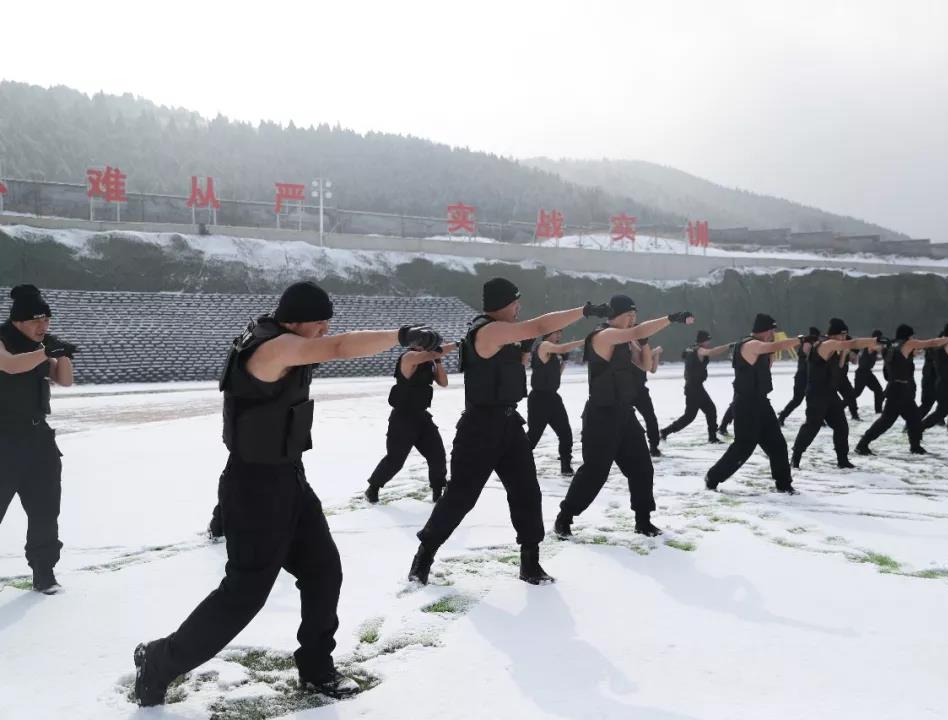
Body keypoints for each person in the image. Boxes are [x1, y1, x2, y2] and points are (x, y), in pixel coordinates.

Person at [133, 281, 442, 706]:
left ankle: (316, 670)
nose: (324, 331)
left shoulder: (284, 340)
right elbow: (337, 349)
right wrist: (401, 336)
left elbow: (328, 346)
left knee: (323, 571)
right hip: (255, 486)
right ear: (296, 321)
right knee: (244, 594)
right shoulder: (273, 348)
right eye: (320, 324)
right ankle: (160, 660)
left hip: (288, 478)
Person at [408, 278, 610, 586]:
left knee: (527, 492)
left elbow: (513, 364)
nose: (519, 307)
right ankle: (425, 555)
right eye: (515, 302)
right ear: (503, 303)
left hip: (509, 424)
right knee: (461, 496)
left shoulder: (505, 335)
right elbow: (539, 325)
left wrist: (523, 353)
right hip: (479, 428)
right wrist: (584, 310)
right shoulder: (489, 330)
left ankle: (530, 562)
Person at [554, 296, 693, 538]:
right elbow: (636, 331)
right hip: (601, 416)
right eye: (629, 315)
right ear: (614, 315)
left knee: (642, 468)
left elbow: (645, 365)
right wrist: (671, 319)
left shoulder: (627, 339)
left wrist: (644, 342)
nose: (632, 320)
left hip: (624, 414)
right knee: (595, 472)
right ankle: (565, 517)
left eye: (634, 317)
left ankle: (643, 520)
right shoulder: (603, 335)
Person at [0, 285, 77, 595]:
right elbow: (10, 364)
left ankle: (44, 572)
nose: (43, 326)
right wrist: (45, 352)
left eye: (47, 319)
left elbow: (65, 380)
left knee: (46, 509)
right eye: (36, 320)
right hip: (3, 440)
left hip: (38, 438)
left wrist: (64, 354)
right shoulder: (3, 339)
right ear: (18, 320)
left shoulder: (43, 344)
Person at [705, 313, 801, 493]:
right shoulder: (751, 344)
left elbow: (764, 370)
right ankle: (713, 477)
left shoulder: (763, 349)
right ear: (764, 331)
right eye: (772, 330)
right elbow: (773, 345)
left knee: (778, 445)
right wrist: (800, 340)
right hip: (746, 405)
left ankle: (784, 484)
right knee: (744, 448)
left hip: (762, 403)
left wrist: (770, 357)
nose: (774, 333)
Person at [363, 341, 458, 504]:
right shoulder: (409, 357)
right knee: (395, 460)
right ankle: (373, 488)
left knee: (437, 455)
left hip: (422, 417)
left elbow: (443, 382)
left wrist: (438, 361)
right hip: (402, 418)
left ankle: (437, 491)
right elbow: (432, 353)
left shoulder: (430, 359)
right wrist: (456, 344)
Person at [790, 318, 880, 470]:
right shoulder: (826, 344)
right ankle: (796, 457)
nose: (844, 338)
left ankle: (842, 460)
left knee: (842, 427)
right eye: (842, 335)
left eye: (845, 335)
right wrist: (874, 341)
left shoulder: (834, 347)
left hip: (830, 394)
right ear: (833, 335)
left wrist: (844, 354)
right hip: (816, 395)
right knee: (812, 427)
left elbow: (838, 367)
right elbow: (851, 344)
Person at [855, 325, 948, 456]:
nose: (913, 338)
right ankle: (862, 445)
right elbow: (932, 343)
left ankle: (915, 447)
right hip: (899, 389)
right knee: (887, 421)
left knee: (913, 418)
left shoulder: (890, 346)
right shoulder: (907, 344)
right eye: (912, 336)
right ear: (908, 336)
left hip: (896, 388)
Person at [526, 329, 585, 476]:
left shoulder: (552, 352)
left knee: (565, 433)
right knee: (533, 436)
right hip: (539, 400)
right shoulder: (543, 345)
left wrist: (564, 361)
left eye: (560, 333)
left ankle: (566, 467)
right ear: (548, 334)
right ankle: (514, 463)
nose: (559, 336)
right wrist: (586, 340)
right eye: (556, 333)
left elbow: (555, 375)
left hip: (553, 398)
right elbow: (563, 348)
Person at [660, 330, 728, 444]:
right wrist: (728, 346)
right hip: (693, 388)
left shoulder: (691, 348)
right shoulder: (700, 350)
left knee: (710, 410)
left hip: (696, 387)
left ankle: (712, 438)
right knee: (689, 417)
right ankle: (664, 432)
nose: (709, 342)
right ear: (703, 341)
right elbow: (713, 352)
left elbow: (686, 355)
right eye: (708, 340)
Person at [777, 326, 819, 425]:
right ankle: (782, 417)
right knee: (797, 400)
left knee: (814, 400)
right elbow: (810, 358)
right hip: (802, 377)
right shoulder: (807, 345)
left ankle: (818, 419)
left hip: (808, 377)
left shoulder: (808, 344)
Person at [630, 337, 663, 457]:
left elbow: (652, 369)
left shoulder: (645, 348)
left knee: (651, 418)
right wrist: (654, 351)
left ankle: (654, 447)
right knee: (623, 420)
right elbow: (639, 357)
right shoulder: (630, 346)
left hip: (641, 391)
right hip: (627, 390)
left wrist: (656, 354)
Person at [852, 329, 885, 415]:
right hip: (862, 373)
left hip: (867, 373)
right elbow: (877, 348)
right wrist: (886, 345)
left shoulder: (874, 346)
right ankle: (840, 406)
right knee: (856, 393)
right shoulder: (871, 344)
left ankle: (878, 411)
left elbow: (874, 356)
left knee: (878, 390)